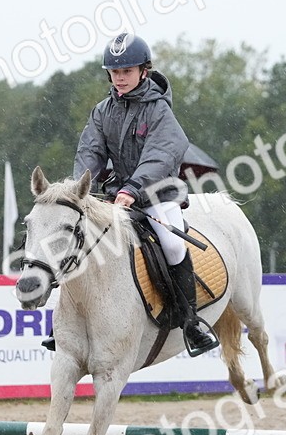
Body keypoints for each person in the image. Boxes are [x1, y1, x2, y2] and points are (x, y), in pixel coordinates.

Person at [55, 32, 217, 356]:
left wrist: (134, 187)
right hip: (117, 195)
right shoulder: (102, 111)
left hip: (157, 193)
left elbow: (161, 154)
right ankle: (65, 326)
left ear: (144, 70)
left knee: (172, 244)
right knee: (79, 238)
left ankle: (191, 322)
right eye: (115, 72)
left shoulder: (159, 110)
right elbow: (90, 151)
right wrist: (79, 189)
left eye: (126, 71)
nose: (120, 78)